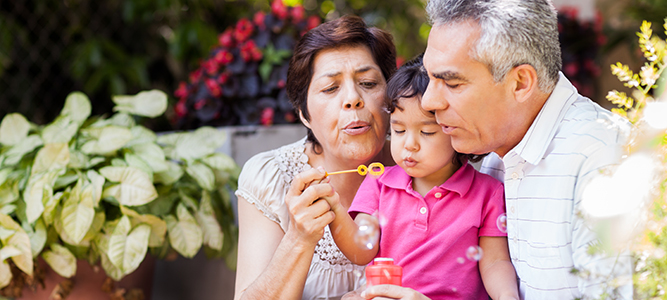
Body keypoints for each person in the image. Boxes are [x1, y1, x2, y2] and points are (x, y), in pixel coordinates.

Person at [408, 0, 631, 299]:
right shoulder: (483, 151)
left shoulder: (604, 160)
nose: (429, 102)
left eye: (452, 83)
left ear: (520, 83)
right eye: (430, 77)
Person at [327, 55, 520, 300]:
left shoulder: (487, 193)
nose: (409, 144)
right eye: (398, 130)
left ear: (455, 129)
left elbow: (494, 262)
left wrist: (507, 296)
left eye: (426, 132)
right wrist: (332, 206)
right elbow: (361, 250)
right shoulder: (378, 183)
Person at [233, 15, 397, 300]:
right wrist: (298, 239)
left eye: (368, 83)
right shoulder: (271, 177)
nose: (352, 98)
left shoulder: (424, 168)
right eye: (331, 88)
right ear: (304, 115)